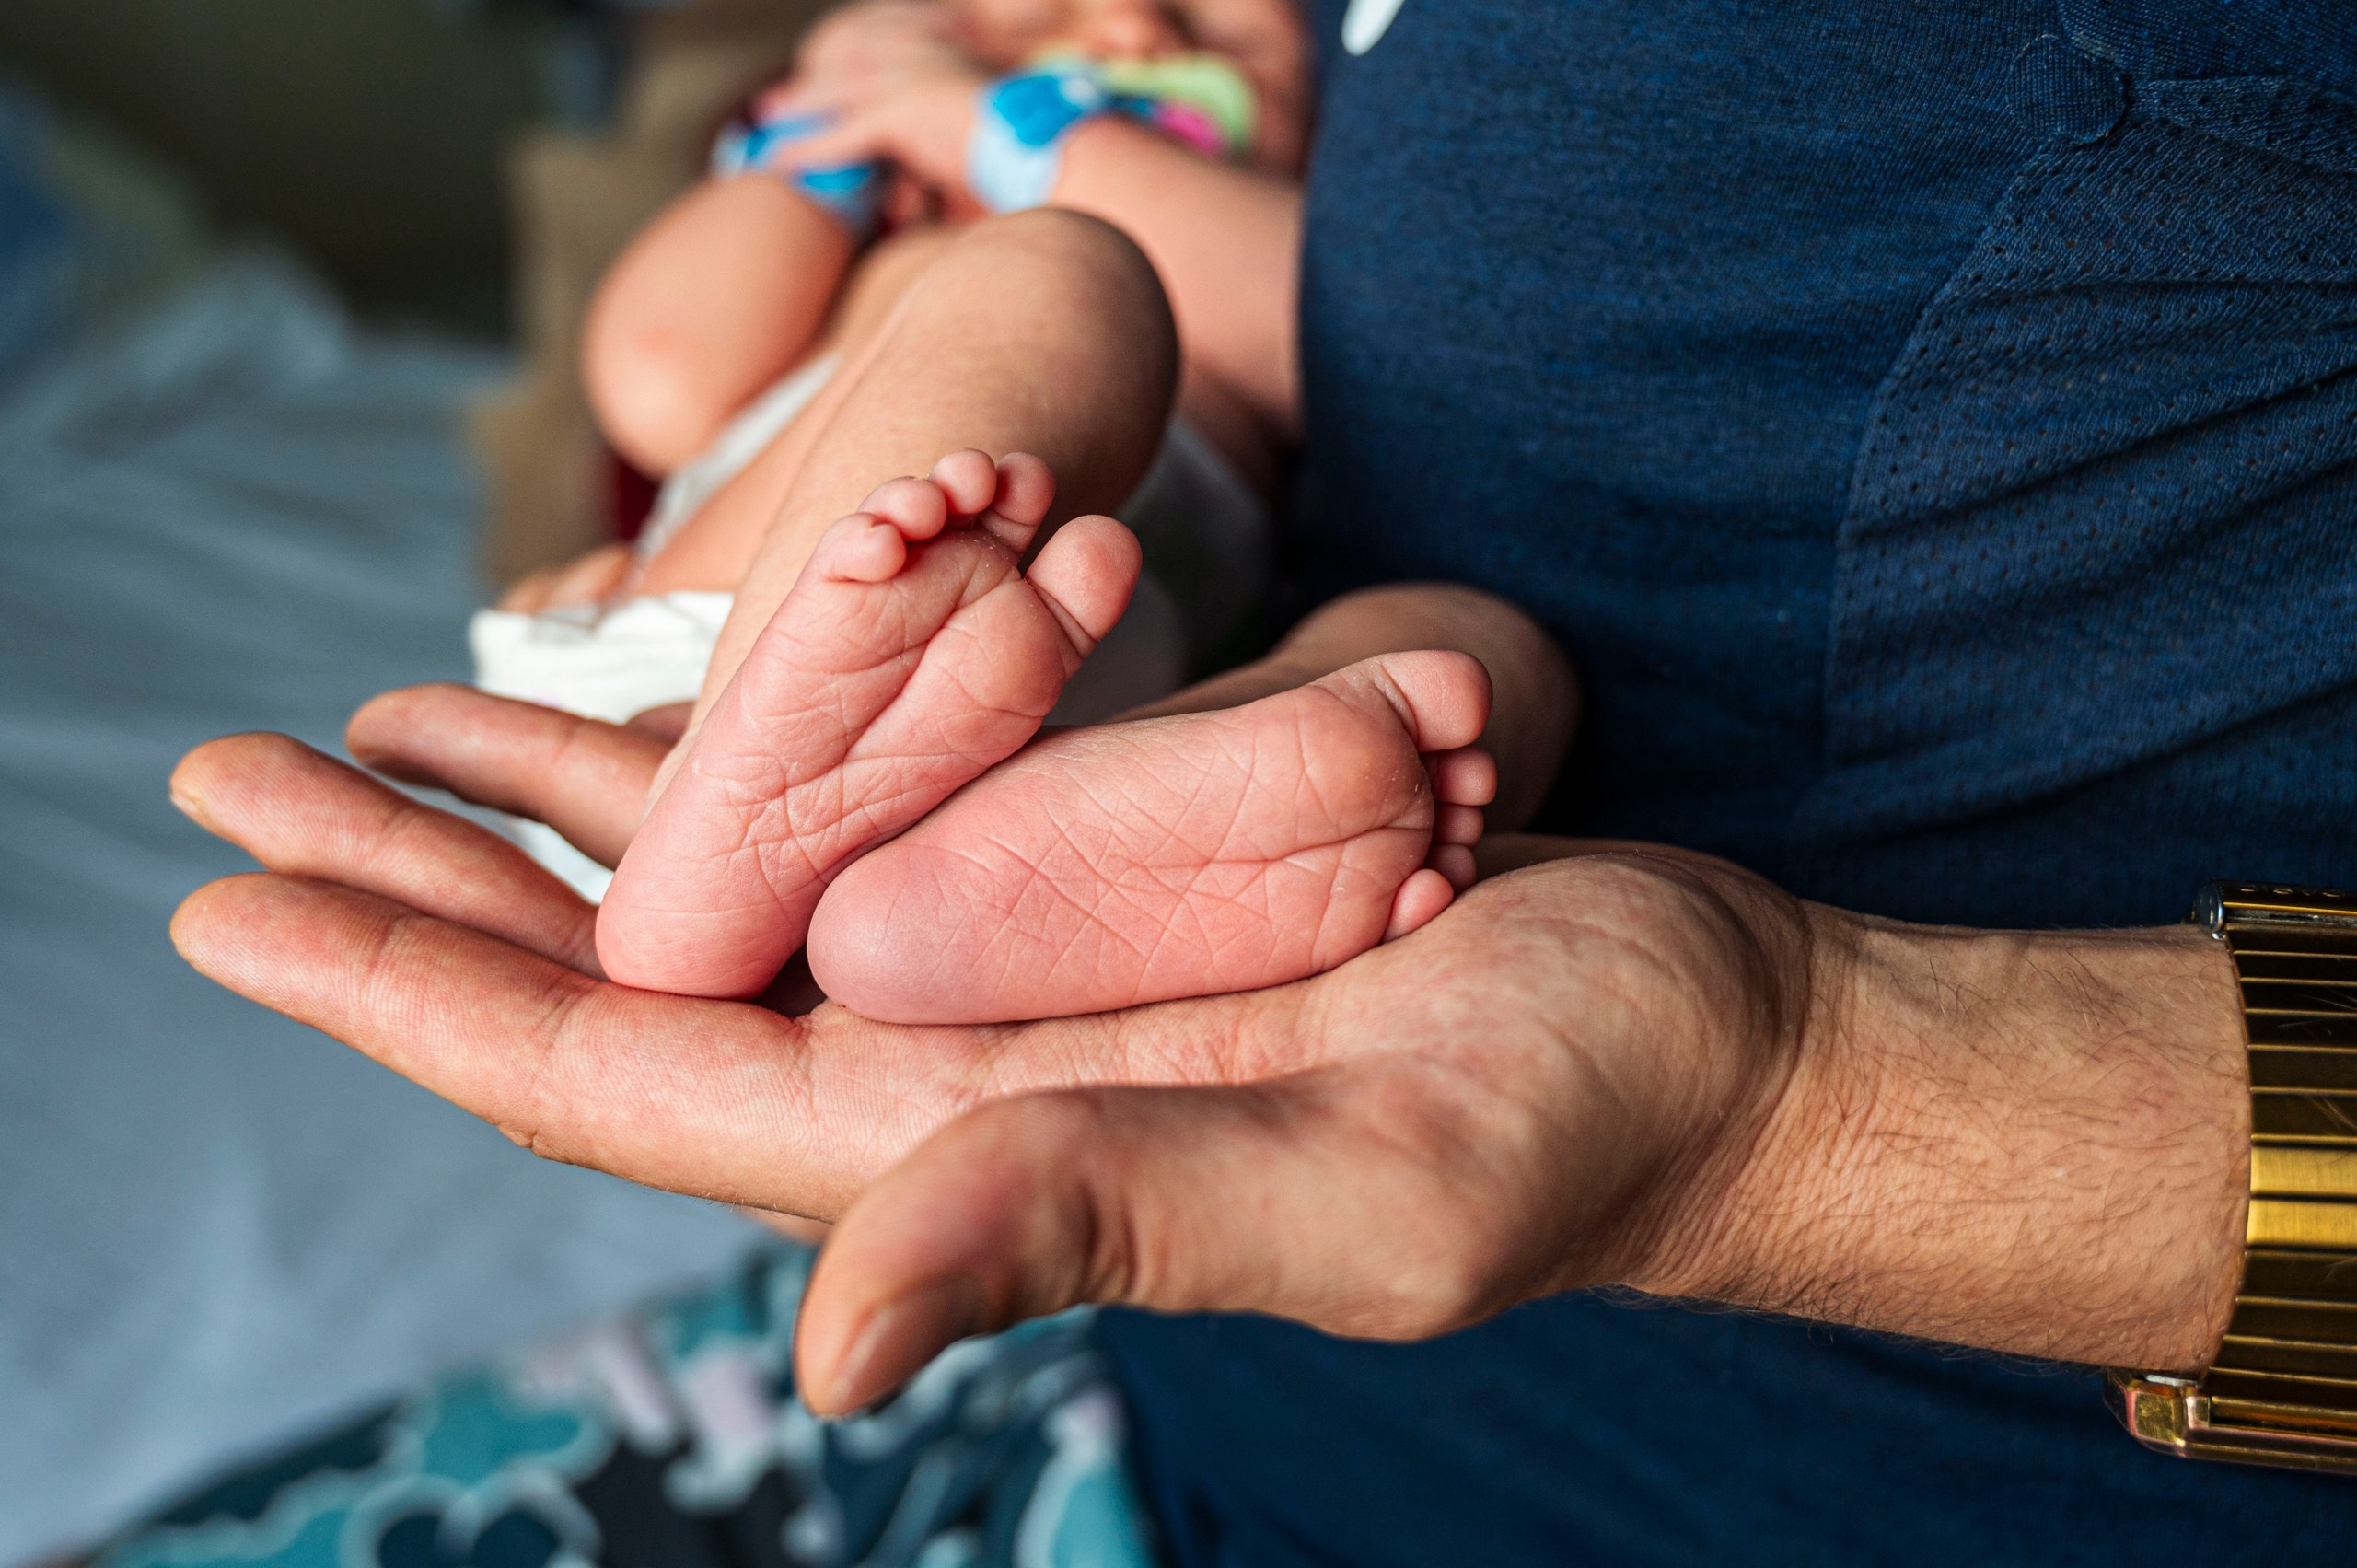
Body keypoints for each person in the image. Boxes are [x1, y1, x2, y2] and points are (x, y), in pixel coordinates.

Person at [163, 0, 2357, 1562]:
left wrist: (1035, 130)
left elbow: (1300, 310)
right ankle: (810, 779)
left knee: (1426, 667)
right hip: (760, 638)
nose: (1126, 12)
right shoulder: (931, 188)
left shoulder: (1152, 171)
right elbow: (654, 358)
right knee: (1081, 328)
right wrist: (831, 147)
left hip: (1019, 664)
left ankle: (1054, 807)